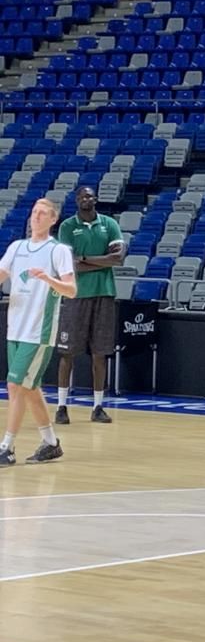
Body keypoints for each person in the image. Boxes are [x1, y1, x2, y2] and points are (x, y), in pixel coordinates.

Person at [0, 199, 77, 467]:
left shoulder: (58, 251)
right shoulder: (17, 247)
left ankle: (7, 447)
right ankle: (51, 443)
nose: (36, 216)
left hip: (39, 330)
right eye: (34, 212)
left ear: (53, 219)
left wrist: (48, 279)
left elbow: (71, 290)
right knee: (30, 387)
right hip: (16, 328)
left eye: (42, 213)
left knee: (15, 385)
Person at [55, 186, 124, 425]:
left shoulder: (109, 224)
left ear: (95, 199)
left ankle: (98, 407)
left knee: (100, 352)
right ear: (76, 200)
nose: (87, 199)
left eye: (90, 196)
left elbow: (118, 258)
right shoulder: (67, 226)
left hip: (104, 293)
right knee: (67, 352)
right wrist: (101, 262)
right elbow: (68, 265)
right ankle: (62, 406)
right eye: (83, 196)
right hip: (75, 294)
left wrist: (84, 260)